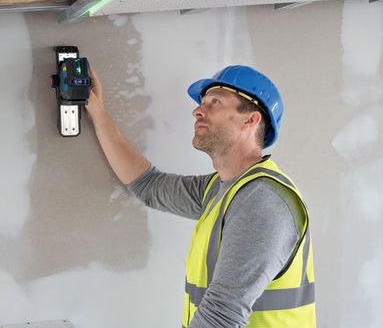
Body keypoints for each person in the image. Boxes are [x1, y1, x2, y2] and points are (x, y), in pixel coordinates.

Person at [85, 65, 316, 328]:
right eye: (202, 102)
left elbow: (221, 317)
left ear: (250, 120)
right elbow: (149, 186)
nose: (197, 111)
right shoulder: (220, 189)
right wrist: (98, 113)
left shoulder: (262, 201)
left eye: (215, 102)